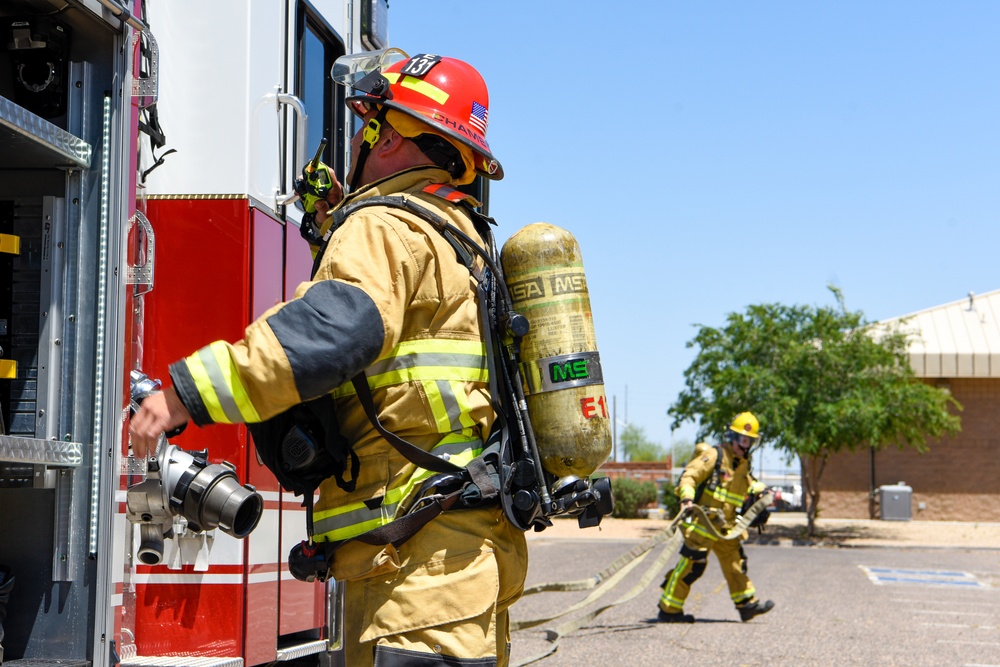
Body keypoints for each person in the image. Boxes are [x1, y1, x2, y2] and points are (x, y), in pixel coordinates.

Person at [130, 51, 527, 667]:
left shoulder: (383, 228)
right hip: (461, 558)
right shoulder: (459, 238)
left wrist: (184, 392)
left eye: (365, 123)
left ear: (387, 134)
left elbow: (334, 332)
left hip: (416, 575)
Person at [657, 411, 775, 623]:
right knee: (693, 567)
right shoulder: (715, 455)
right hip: (703, 527)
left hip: (726, 528)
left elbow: (747, 484)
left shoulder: (743, 464)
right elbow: (690, 476)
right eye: (742, 438)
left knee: (735, 563)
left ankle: (746, 604)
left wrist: (762, 493)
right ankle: (669, 610)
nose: (745, 444)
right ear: (732, 436)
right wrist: (687, 499)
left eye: (750, 440)